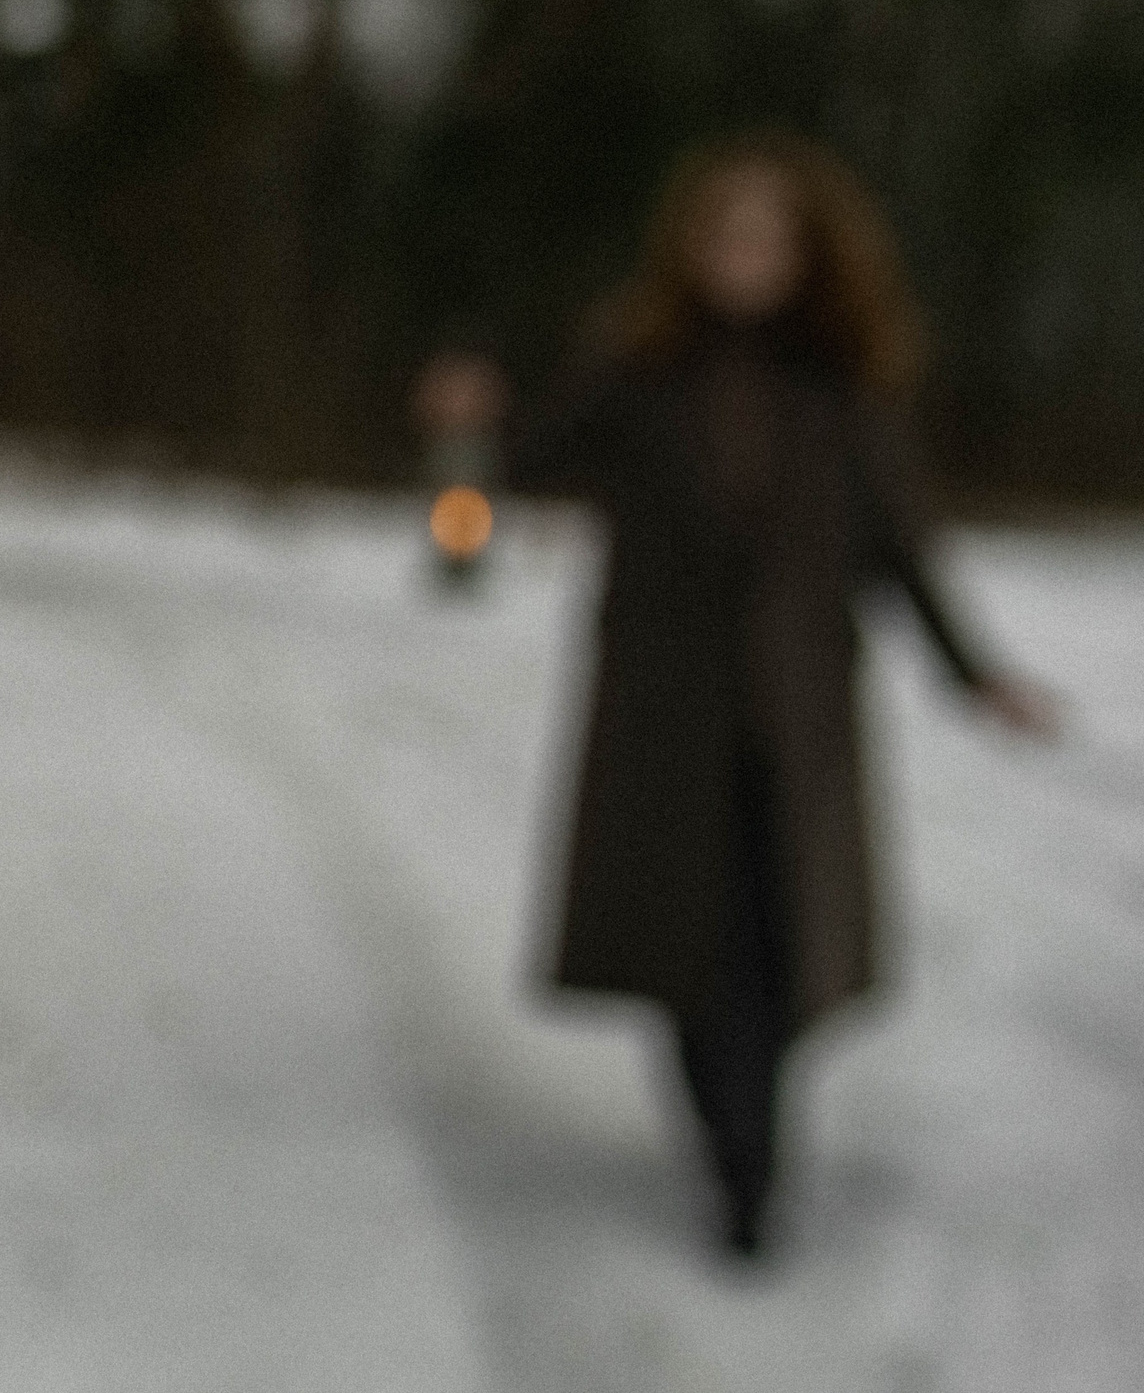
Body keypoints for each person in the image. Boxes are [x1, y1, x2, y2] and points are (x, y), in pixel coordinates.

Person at [417, 131, 1056, 1258]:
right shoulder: (633, 373)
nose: (744, 253)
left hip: (796, 718)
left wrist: (976, 675)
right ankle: (740, 1162)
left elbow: (903, 550)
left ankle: (753, 1140)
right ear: (689, 247)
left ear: (805, 254)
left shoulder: (843, 390)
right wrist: (458, 443)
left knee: (780, 939)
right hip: (665, 721)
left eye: (768, 234)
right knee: (689, 947)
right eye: (725, 231)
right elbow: (490, 491)